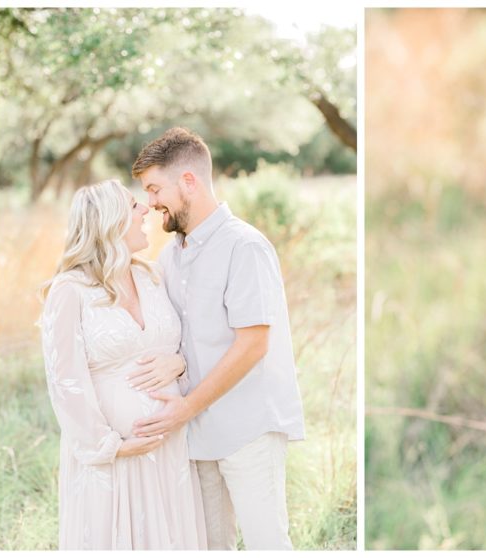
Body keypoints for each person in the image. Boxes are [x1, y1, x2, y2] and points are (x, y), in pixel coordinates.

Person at [128, 127, 307, 550]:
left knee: (267, 544)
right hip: (197, 436)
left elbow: (252, 344)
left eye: (155, 189)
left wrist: (183, 408)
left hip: (249, 428)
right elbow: (179, 336)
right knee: (209, 547)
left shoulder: (244, 247)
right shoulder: (170, 256)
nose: (151, 204)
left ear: (188, 181)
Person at [40, 179, 207, 549]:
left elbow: (184, 345)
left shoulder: (151, 277)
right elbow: (64, 382)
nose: (146, 209)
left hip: (169, 448)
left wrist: (179, 364)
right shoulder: (70, 290)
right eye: (134, 205)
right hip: (113, 458)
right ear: (110, 221)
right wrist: (112, 445)